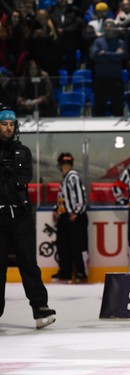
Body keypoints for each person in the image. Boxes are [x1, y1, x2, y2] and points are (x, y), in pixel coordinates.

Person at [0, 106, 56, 329]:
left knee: (29, 264)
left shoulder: (22, 151)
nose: (8, 128)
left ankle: (40, 308)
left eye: (11, 124)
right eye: (4, 124)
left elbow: (24, 177)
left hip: (20, 216)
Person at [52, 152, 89, 283]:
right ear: (60, 165)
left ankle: (81, 272)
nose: (66, 166)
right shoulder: (66, 178)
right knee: (64, 246)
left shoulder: (73, 177)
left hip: (74, 217)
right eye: (64, 164)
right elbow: (63, 198)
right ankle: (65, 272)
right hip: (66, 216)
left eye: (68, 164)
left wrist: (76, 212)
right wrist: (56, 209)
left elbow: (81, 197)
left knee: (77, 246)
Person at [90, 18, 126, 117]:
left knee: (117, 105)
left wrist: (104, 53)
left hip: (115, 78)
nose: (108, 27)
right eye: (106, 25)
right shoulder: (98, 41)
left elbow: (120, 57)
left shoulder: (120, 42)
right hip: (101, 78)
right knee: (99, 105)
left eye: (111, 25)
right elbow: (94, 56)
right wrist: (113, 55)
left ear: (115, 28)